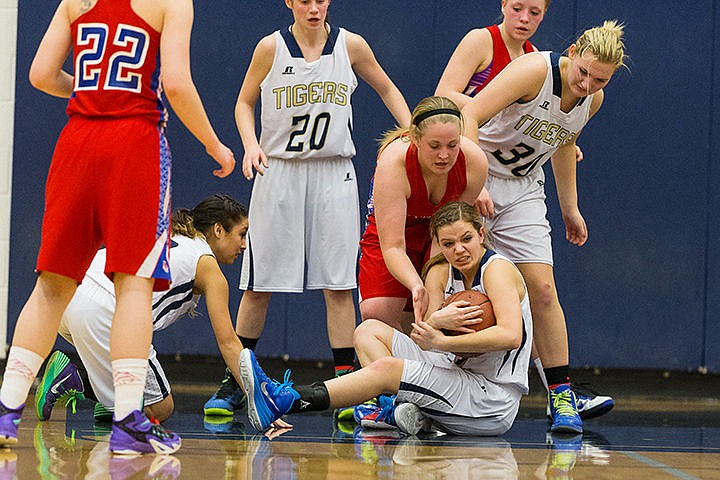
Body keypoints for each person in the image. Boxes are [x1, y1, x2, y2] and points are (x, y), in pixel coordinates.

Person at [0, 0, 236, 455]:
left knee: (51, 286)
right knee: (134, 285)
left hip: (76, 141)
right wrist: (214, 144)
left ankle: (9, 409)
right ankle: (129, 421)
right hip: (134, 144)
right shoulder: (171, 2)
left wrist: (89, 89)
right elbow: (177, 84)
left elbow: (40, 75)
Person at [204, 0, 412, 416]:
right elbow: (244, 102)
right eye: (304, 0)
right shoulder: (270, 47)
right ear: (289, 2)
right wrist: (250, 143)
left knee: (337, 286)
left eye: (320, 0)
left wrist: (411, 134)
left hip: (333, 172)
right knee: (258, 285)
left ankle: (344, 384)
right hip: (278, 170)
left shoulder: (350, 46)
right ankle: (236, 380)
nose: (313, 8)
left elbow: (387, 87)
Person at [435, 0, 612, 422]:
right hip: (479, 171)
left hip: (524, 187)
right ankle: (421, 382)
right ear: (572, 52)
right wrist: (474, 181)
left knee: (543, 290)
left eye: (599, 79)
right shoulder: (535, 68)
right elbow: (471, 113)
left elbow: (564, 143)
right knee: (447, 280)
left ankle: (562, 394)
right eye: (582, 72)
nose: (587, 83)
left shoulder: (594, 98)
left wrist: (571, 208)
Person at [237, 201, 533, 437]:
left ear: (481, 234)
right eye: (448, 243)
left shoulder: (497, 270)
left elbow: (510, 336)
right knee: (369, 331)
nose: (459, 249)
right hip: (456, 376)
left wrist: (442, 338)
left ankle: (283, 399)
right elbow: (425, 339)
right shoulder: (441, 272)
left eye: (466, 239)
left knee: (387, 369)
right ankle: (398, 411)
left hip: (491, 400)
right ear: (438, 244)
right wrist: (440, 321)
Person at [34, 195, 287, 432]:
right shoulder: (209, 268)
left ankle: (107, 400)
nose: (244, 245)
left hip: (69, 296)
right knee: (162, 407)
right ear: (218, 230)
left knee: (126, 393)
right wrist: (263, 402)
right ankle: (75, 376)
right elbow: (230, 344)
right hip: (105, 312)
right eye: (241, 235)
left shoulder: (170, 236)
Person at [358, 96, 488, 334]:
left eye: (452, 145)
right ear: (414, 138)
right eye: (435, 146)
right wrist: (416, 285)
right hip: (397, 231)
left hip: (442, 234)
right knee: (377, 313)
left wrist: (431, 284)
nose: (444, 155)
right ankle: (392, 368)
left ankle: (434, 365)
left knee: (431, 308)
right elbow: (393, 246)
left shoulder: (474, 162)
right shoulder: (393, 163)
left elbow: (452, 232)